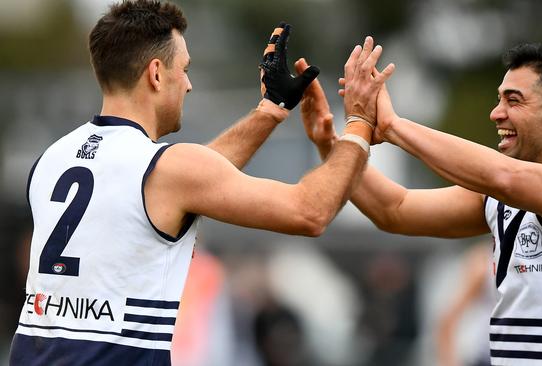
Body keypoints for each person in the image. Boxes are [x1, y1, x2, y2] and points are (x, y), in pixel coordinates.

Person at [9, 0, 395, 364]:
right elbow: (310, 212)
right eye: (185, 69)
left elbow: (186, 185)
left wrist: (270, 110)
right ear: (156, 74)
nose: (189, 85)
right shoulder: (166, 170)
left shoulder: (52, 159)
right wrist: (359, 123)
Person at [300, 43, 542, 364]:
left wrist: (391, 126)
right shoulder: (506, 195)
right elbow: (394, 210)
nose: (496, 113)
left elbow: (505, 177)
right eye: (498, 99)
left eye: (513, 101)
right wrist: (332, 143)